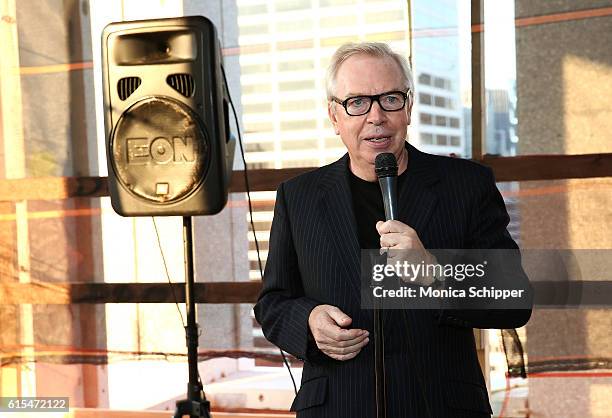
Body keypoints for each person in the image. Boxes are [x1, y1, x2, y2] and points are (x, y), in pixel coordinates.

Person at [254, 42, 532, 418]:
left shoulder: (466, 185)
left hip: (440, 405)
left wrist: (433, 271)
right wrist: (309, 321)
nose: (376, 116)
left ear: (409, 107)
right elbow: (273, 302)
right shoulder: (299, 196)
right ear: (334, 116)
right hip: (338, 405)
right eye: (357, 103)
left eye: (390, 99)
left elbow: (512, 298)